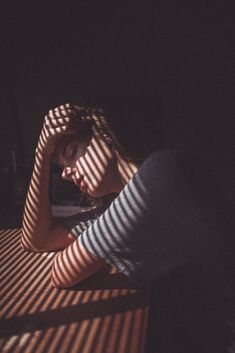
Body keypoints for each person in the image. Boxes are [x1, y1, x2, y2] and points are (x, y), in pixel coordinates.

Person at [21, 103, 235, 353]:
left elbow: (62, 272)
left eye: (72, 151)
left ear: (105, 134)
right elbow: (37, 240)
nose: (66, 174)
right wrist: (41, 157)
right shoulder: (123, 200)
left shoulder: (162, 174)